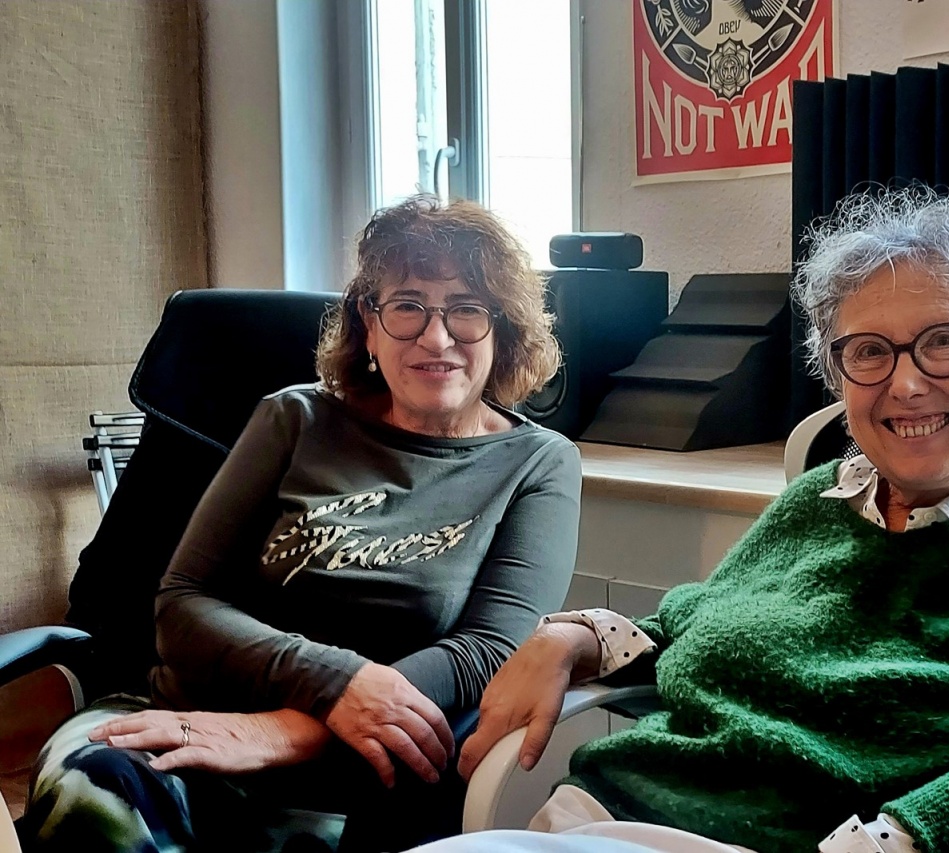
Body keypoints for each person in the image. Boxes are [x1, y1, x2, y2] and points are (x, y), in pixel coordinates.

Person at [417, 189, 949, 853]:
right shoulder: (820, 496)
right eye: (868, 351)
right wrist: (577, 635)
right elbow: (691, 629)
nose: (905, 384)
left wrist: (901, 834)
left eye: (944, 341)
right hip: (611, 817)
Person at [23, 195, 583, 853]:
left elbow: (489, 650)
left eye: (466, 308)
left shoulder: (536, 461)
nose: (436, 338)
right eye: (407, 306)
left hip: (364, 760)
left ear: (502, 327)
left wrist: (285, 731)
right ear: (368, 324)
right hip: (186, 717)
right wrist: (335, 679)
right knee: (95, 798)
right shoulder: (294, 418)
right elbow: (183, 602)